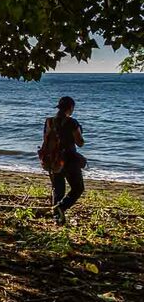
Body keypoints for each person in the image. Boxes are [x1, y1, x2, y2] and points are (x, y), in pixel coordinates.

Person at [44, 96, 86, 225]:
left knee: (58, 190)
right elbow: (80, 143)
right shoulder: (72, 122)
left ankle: (57, 219)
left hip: (54, 159)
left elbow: (46, 140)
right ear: (70, 108)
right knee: (78, 188)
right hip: (69, 159)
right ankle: (61, 207)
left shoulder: (49, 121)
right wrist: (80, 131)